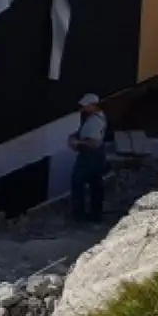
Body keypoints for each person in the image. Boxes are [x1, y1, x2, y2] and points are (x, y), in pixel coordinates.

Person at [68, 93, 110, 223]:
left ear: (93, 105)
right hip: (94, 155)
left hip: (90, 155)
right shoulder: (93, 117)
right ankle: (94, 215)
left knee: (78, 182)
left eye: (86, 106)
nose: (83, 108)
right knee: (95, 184)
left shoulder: (96, 121)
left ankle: (79, 215)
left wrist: (77, 143)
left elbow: (94, 143)